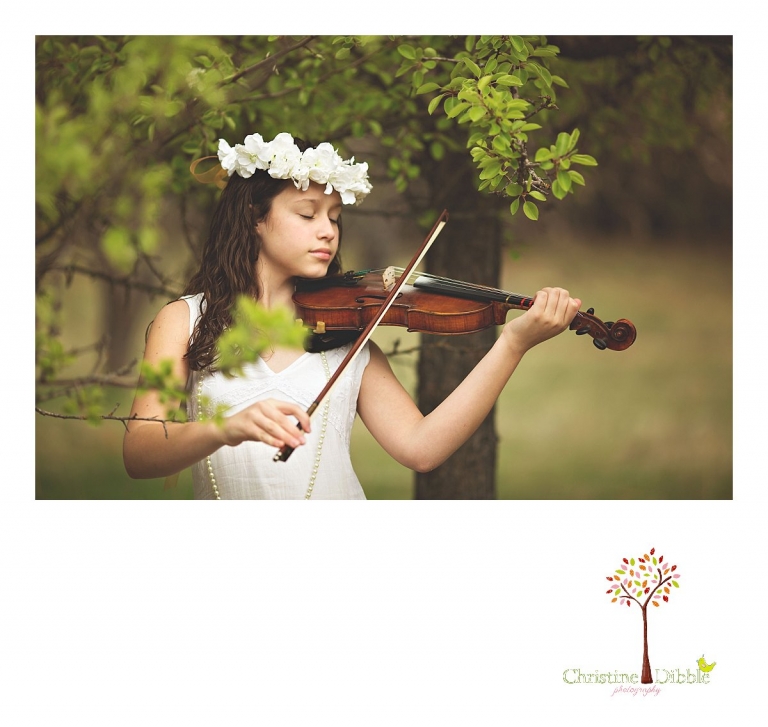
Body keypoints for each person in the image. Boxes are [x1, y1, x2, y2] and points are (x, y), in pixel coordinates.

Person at [123, 132, 581, 499]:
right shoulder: (184, 321)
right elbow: (140, 454)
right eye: (307, 214)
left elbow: (421, 448)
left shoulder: (343, 333)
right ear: (253, 219)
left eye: (335, 218)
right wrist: (227, 428)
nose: (327, 231)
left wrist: (512, 344)